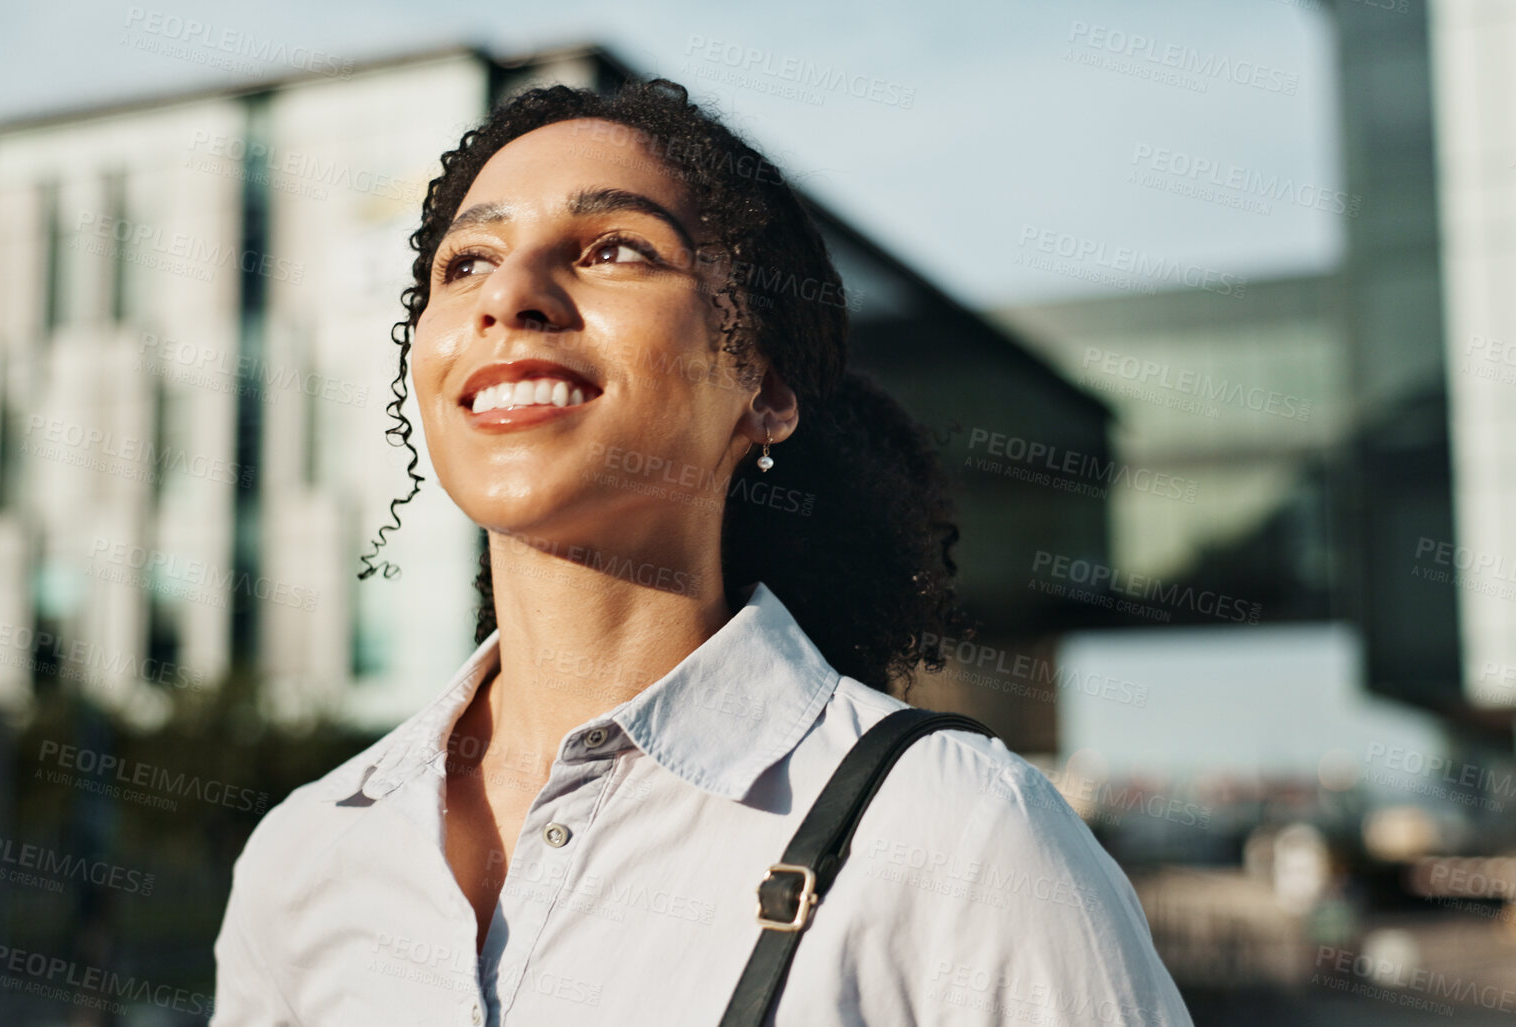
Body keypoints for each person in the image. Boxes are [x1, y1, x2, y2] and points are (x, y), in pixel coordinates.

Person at [210, 78, 1193, 1026]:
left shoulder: (960, 835)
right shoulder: (306, 856)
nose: (509, 295)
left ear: (763, 388)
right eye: (465, 263)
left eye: (614, 249)